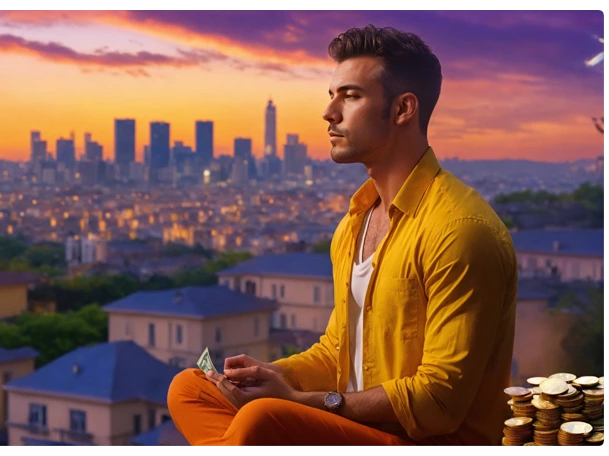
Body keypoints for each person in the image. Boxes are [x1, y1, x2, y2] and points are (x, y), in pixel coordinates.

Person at [167, 24, 518, 447]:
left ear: (403, 108)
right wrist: (276, 375)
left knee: (260, 420)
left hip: (425, 440)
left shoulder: (461, 231)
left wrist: (303, 402)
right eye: (332, 96)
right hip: (358, 427)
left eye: (350, 96)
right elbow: (337, 349)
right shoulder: (356, 222)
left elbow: (439, 402)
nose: (329, 112)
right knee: (190, 388)